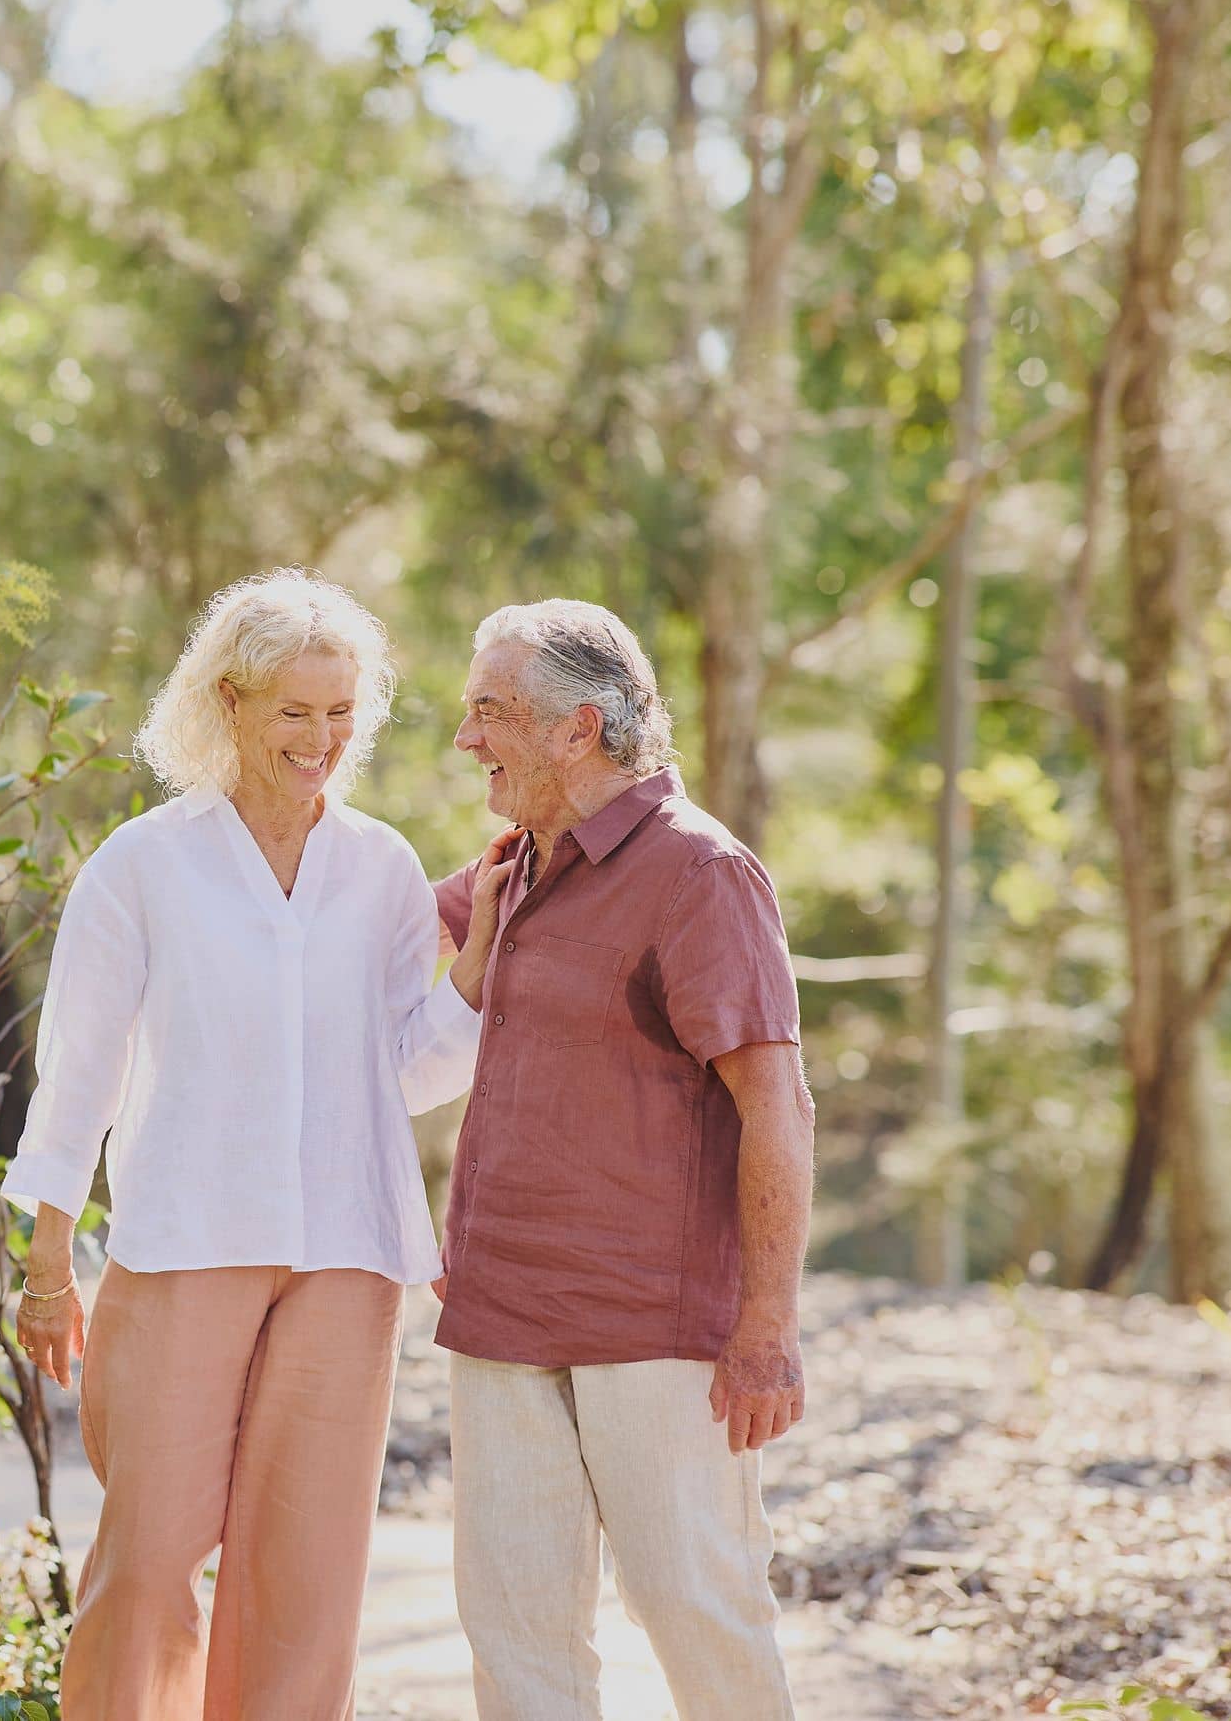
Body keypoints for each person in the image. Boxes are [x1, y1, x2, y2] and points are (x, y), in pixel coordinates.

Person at [5, 569, 513, 1721]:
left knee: (305, 1585)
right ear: (226, 703)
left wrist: (477, 959)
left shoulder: (381, 867)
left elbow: (406, 1071)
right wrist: (47, 1262)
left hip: (347, 1251)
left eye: (341, 713)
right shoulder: (141, 865)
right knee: (144, 1567)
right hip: (186, 1243)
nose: (321, 739)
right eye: (294, 711)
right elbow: (76, 1071)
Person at [432, 598, 814, 1720]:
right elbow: (372, 949)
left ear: (575, 730)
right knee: (515, 1637)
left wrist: (767, 1329)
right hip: (501, 1314)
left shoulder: (702, 874)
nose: (466, 740)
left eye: (488, 712)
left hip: (654, 1327)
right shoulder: (518, 861)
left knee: (698, 1613)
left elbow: (776, 1106)